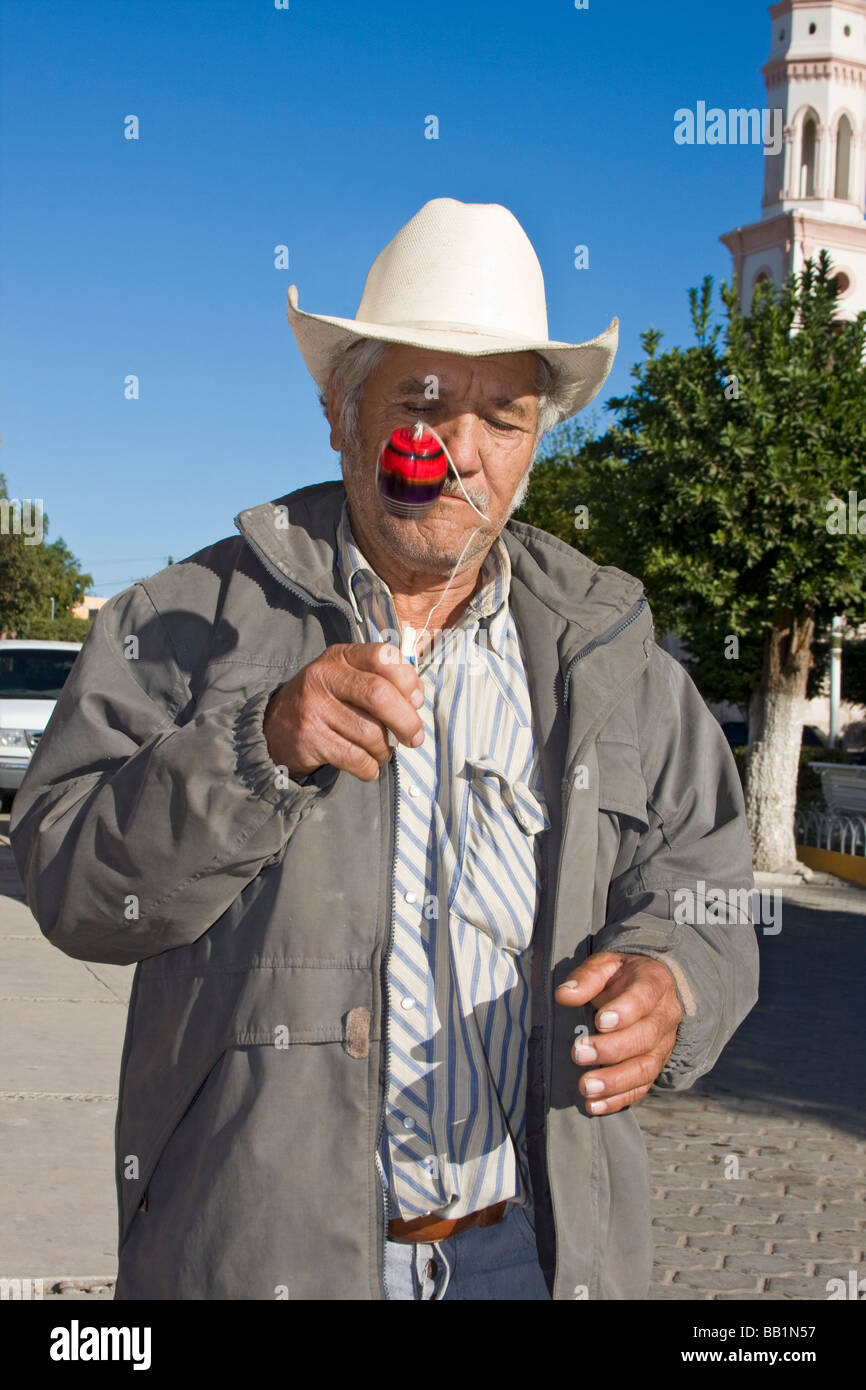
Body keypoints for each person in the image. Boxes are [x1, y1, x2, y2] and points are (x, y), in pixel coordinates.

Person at [10, 197, 759, 1301]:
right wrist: (253, 748)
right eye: (422, 400)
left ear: (534, 441)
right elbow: (71, 885)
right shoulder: (178, 617)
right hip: (259, 1255)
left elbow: (711, 887)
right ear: (339, 410)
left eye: (501, 415)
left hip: (531, 1258)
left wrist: (671, 977)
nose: (459, 449)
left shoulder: (612, 651)